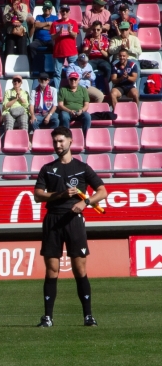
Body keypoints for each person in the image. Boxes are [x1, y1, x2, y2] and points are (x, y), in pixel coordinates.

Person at [33, 126, 107, 328]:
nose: (57, 145)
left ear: (70, 141)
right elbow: (38, 195)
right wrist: (60, 195)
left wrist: (85, 202)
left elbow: (102, 191)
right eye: (55, 142)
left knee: (79, 269)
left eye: (61, 141)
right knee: (52, 270)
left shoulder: (82, 168)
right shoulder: (47, 169)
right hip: (53, 220)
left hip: (74, 221)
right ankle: (47, 317)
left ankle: (88, 316)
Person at [50, 3, 79, 89]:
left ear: (69, 12)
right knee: (57, 73)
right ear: (60, 12)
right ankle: (58, 93)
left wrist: (70, 31)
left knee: (74, 73)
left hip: (71, 51)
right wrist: (59, 33)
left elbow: (75, 35)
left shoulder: (73, 22)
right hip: (59, 51)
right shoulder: (55, 23)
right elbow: (52, 37)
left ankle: (73, 90)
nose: (65, 12)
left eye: (66, 11)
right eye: (63, 11)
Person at [83, 20, 112, 91]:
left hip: (102, 59)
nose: (96, 31)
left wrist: (100, 49)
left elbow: (107, 55)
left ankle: (105, 85)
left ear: (101, 30)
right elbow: (85, 53)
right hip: (91, 59)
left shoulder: (105, 39)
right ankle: (89, 88)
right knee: (86, 69)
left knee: (108, 69)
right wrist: (91, 46)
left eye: (98, 29)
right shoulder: (87, 39)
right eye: (94, 29)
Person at [28, 1, 56, 65]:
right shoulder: (38, 16)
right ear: (43, 9)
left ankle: (54, 65)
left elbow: (53, 28)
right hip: (39, 40)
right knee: (31, 46)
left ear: (51, 9)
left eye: (49, 8)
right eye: (45, 8)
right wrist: (48, 23)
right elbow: (36, 25)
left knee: (56, 46)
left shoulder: (55, 17)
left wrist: (41, 26)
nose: (47, 10)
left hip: (50, 39)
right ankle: (34, 65)